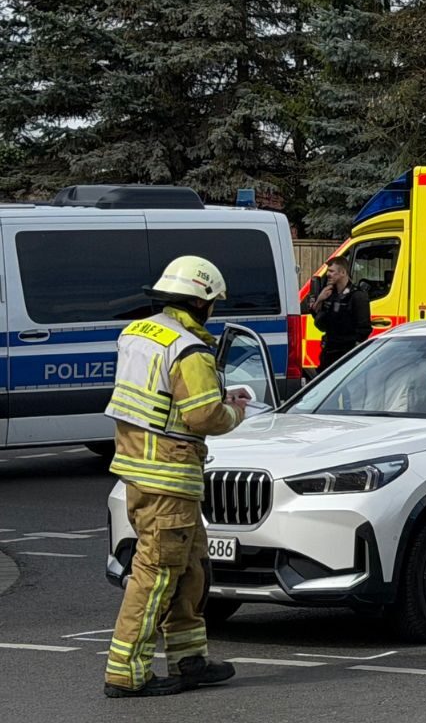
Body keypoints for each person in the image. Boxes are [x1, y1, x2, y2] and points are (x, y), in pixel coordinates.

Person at [102, 256, 252, 698]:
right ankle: (126, 673)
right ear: (202, 302)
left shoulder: (140, 332)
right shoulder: (191, 348)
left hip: (138, 470)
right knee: (156, 574)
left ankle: (190, 660)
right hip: (169, 476)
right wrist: (235, 410)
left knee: (190, 568)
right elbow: (204, 415)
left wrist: (215, 392)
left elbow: (161, 397)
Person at [303, 256, 371, 378]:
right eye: (328, 271)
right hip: (329, 354)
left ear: (343, 272)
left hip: (347, 354)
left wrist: (353, 352)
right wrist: (320, 299)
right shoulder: (329, 295)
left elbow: (364, 330)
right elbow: (321, 325)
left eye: (332, 271)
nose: (328, 274)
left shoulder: (357, 296)